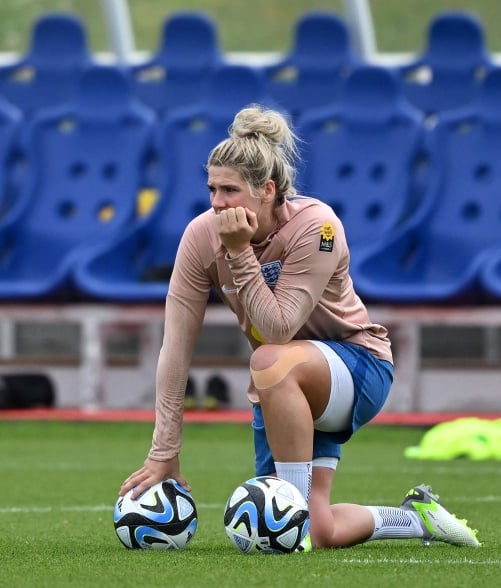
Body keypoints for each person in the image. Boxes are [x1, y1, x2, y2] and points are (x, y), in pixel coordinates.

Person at [118, 105, 480, 550]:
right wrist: (164, 450)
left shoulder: (318, 226)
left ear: (267, 190)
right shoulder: (199, 236)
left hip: (356, 365)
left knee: (269, 362)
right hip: (282, 388)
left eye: (229, 190)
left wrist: (238, 253)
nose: (217, 203)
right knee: (323, 531)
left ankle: (298, 519)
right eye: (211, 189)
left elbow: (277, 331)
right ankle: (415, 518)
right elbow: (175, 347)